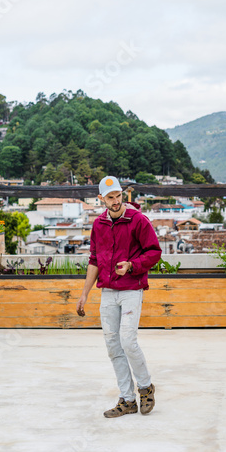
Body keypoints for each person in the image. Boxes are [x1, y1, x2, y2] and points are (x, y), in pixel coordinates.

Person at [76, 176, 162, 418]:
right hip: (108, 292)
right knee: (113, 346)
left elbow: (154, 252)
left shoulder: (138, 221)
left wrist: (132, 265)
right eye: (110, 197)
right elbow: (94, 259)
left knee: (127, 341)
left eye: (119, 196)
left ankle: (145, 387)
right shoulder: (99, 225)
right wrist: (84, 294)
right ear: (101, 198)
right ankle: (127, 399)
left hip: (131, 289)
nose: (116, 202)